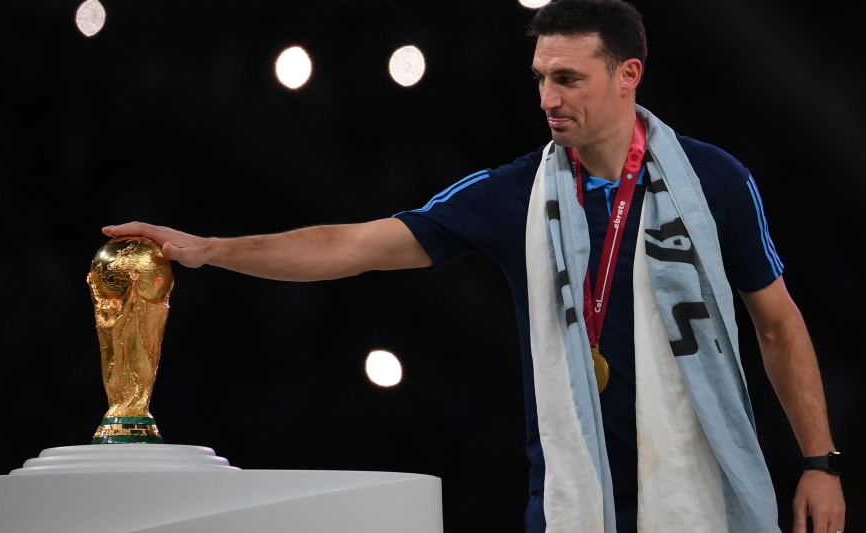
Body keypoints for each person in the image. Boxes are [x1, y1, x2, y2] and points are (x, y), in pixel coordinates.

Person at [103, 1, 845, 531]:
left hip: (701, 492)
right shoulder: (515, 194)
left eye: (569, 78)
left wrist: (821, 462)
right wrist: (212, 249)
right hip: (570, 502)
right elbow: (353, 246)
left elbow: (777, 325)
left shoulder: (715, 182)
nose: (548, 98)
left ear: (629, 74)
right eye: (540, 78)